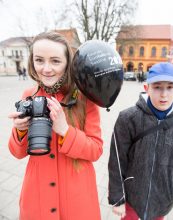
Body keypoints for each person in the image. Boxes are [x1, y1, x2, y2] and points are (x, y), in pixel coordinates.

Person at [8, 31, 103, 220]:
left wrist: (66, 131)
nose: (46, 68)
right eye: (39, 60)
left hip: (77, 199)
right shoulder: (29, 95)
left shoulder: (85, 97)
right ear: (31, 62)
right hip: (38, 195)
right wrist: (19, 130)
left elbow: (96, 150)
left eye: (55, 61)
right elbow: (17, 153)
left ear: (68, 63)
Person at [108, 62, 173, 220]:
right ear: (146, 87)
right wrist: (117, 197)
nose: (164, 94)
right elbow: (117, 160)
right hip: (131, 198)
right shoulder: (128, 118)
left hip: (162, 201)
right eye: (157, 87)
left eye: (170, 87)